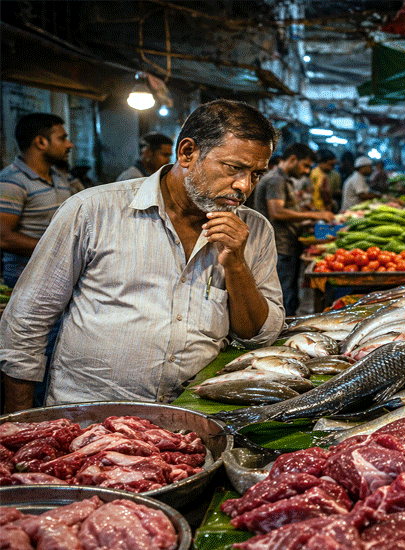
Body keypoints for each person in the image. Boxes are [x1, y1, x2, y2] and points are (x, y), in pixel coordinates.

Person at [0, 99, 285, 412]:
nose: (244, 186)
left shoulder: (254, 231)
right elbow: (26, 322)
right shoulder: (93, 211)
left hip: (192, 422)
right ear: (188, 152)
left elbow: (258, 336)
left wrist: (236, 265)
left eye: (256, 174)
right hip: (88, 419)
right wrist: (20, 420)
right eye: (233, 168)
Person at [252, 143, 332, 317]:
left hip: (286, 244)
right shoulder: (276, 180)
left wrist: (303, 221)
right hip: (279, 246)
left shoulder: (283, 180)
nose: (306, 171)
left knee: (289, 294)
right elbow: (277, 212)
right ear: (293, 159)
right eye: (305, 166)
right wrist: (316, 214)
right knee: (282, 297)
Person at [0, 113, 75, 288]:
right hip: (26, 282)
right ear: (41, 142)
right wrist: (59, 249)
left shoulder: (60, 178)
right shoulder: (12, 181)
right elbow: (3, 238)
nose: (69, 144)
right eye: (62, 138)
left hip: (58, 279)